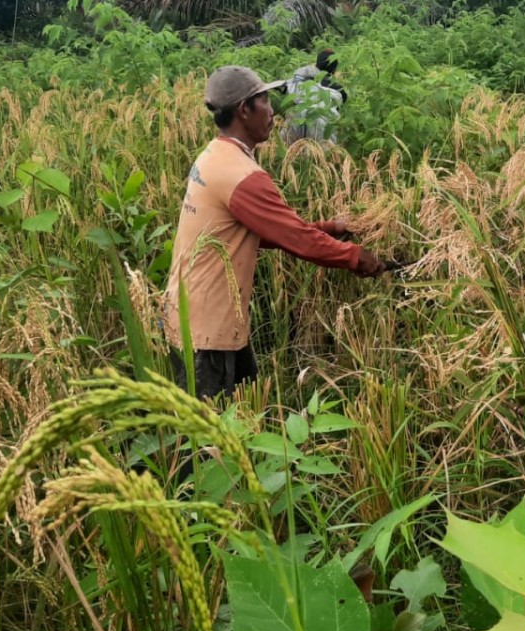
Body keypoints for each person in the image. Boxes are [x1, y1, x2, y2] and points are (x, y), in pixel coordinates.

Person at [162, 65, 385, 401]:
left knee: (244, 412)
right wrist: (356, 257)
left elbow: (260, 233)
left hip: (202, 315)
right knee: (206, 441)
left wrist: (331, 229)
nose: (273, 110)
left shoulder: (215, 156)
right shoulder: (242, 174)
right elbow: (296, 239)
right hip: (206, 332)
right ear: (243, 110)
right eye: (265, 100)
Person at [283, 49, 348, 144]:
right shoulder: (338, 90)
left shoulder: (299, 81)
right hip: (321, 130)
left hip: (296, 124)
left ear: (316, 65)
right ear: (334, 70)